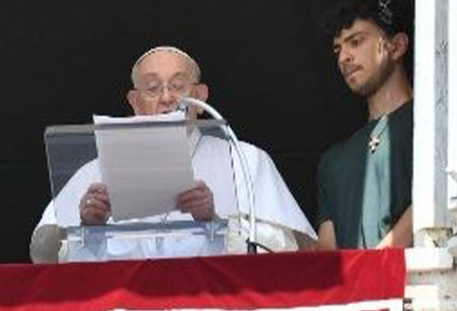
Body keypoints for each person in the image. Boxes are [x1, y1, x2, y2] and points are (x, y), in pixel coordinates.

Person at [31, 46, 316, 262]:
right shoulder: (94, 172)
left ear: (201, 98)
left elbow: (282, 253)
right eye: (153, 88)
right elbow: (49, 257)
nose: (167, 98)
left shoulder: (245, 160)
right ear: (135, 102)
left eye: (178, 87)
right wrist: (88, 231)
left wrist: (214, 224)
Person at [317, 0, 414, 250]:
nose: (343, 58)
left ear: (397, 46)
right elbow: (327, 256)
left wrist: (374, 268)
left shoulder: (433, 124)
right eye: (338, 49)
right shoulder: (333, 161)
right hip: (357, 289)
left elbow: (436, 200)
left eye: (356, 41)